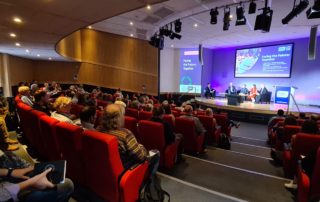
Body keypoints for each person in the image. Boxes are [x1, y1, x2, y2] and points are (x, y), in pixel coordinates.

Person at [97, 104, 159, 174]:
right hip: (126, 169)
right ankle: (150, 182)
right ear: (118, 118)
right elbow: (142, 158)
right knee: (156, 153)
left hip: (105, 169)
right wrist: (141, 147)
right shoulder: (125, 134)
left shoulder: (98, 130)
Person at [0, 150, 74, 202]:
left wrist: (9, 172)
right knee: (67, 184)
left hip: (7, 184)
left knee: (9, 155)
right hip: (7, 194)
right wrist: (30, 183)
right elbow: (3, 195)